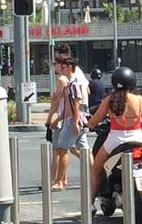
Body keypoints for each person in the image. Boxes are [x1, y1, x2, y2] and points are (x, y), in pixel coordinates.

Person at [87, 66, 142, 211]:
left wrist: (89, 125)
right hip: (137, 138)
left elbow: (95, 120)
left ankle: (89, 204)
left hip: (115, 139)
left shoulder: (110, 100)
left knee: (96, 169)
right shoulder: (139, 99)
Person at [52, 57, 91, 190]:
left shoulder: (74, 84)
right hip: (75, 120)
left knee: (63, 150)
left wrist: (74, 122)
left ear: (69, 67)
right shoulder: (72, 83)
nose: (61, 70)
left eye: (63, 67)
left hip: (73, 121)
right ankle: (95, 175)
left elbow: (76, 104)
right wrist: (58, 120)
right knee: (85, 150)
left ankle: (59, 181)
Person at [46, 56, 69, 187]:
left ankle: (55, 180)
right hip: (64, 116)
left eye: (55, 64)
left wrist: (50, 119)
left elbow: (56, 101)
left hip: (60, 117)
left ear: (61, 65)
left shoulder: (61, 79)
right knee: (64, 150)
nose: (54, 66)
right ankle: (62, 179)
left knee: (57, 150)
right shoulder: (67, 79)